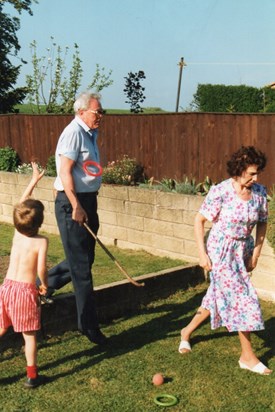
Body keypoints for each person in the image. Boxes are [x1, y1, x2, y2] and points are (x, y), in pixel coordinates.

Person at [178, 146, 272, 375]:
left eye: (257, 173)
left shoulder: (260, 192)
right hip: (221, 251)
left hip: (243, 250)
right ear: (238, 171)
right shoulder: (221, 191)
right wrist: (202, 254)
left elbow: (262, 222)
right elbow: (198, 221)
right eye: (251, 173)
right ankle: (247, 356)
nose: (255, 178)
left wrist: (256, 253)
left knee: (215, 297)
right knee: (243, 297)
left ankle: (185, 332)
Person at [43, 91, 107, 345]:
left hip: (88, 202)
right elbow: (65, 172)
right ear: (82, 112)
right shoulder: (73, 133)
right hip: (74, 203)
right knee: (81, 269)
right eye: (97, 111)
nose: (101, 115)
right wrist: (76, 206)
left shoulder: (90, 133)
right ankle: (89, 326)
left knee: (84, 259)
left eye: (102, 111)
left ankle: (42, 284)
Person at [0, 162, 49, 388]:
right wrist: (44, 286)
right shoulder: (41, 241)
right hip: (24, 292)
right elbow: (41, 270)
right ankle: (32, 376)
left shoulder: (16, 234)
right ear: (39, 223)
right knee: (29, 336)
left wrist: (33, 180)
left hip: (7, 288)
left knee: (1, 328)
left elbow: (20, 205)